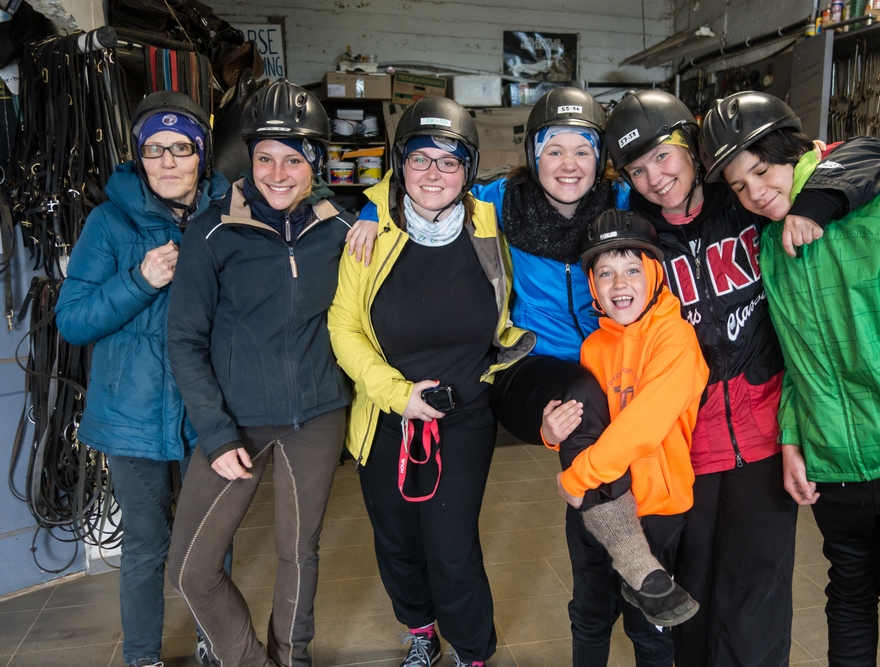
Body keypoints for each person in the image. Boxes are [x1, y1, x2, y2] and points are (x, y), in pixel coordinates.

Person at [353, 89, 675, 666]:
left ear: (601, 157)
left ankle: (615, 575)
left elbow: (677, 194)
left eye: (584, 150)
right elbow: (424, 187)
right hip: (530, 368)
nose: (569, 165)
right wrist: (364, 212)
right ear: (532, 154)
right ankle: (629, 550)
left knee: (596, 460)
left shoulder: (625, 201)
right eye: (555, 151)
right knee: (581, 398)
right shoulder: (497, 201)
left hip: (615, 367)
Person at [604, 89, 880, 667]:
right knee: (691, 599)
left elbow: (865, 152)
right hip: (685, 445)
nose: (656, 178)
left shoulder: (742, 198)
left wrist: (816, 206)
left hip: (764, 437)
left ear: (691, 146)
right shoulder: (638, 238)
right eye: (638, 170)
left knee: (757, 600)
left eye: (663, 156)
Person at [701, 91, 880, 667]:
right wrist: (795, 441)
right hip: (832, 462)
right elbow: (797, 359)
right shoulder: (772, 246)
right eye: (738, 185)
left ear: (796, 151)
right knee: (847, 601)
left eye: (762, 170)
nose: (756, 193)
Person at [328, 96, 535, 667]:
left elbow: (568, 195)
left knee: (450, 543)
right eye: (421, 159)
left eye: (450, 161)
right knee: (396, 540)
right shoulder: (368, 236)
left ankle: (473, 652)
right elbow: (343, 326)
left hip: (465, 413)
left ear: (468, 171)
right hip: (386, 414)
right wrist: (399, 396)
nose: (434, 173)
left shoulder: (492, 224)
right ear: (401, 165)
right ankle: (422, 631)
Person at [166, 79, 355, 667]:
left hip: (317, 416)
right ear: (249, 159)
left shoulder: (343, 229)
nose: (277, 172)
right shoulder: (214, 231)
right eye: (265, 157)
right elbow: (183, 340)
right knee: (191, 569)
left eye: (293, 159)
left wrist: (372, 221)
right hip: (235, 423)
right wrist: (216, 434)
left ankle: (292, 658)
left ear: (315, 164)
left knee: (299, 553)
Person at [55, 91, 229, 667]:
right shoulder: (109, 221)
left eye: (182, 148)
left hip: (208, 409)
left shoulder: (231, 213)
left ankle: (216, 645)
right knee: (147, 548)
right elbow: (73, 321)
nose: (169, 162)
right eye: (155, 149)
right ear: (140, 156)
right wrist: (140, 279)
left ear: (201, 155)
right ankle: (142, 658)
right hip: (132, 415)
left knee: (212, 542)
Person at [544, 208, 709, 628]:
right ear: (592, 287)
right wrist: (550, 432)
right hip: (596, 498)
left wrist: (576, 479)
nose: (619, 284)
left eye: (632, 270)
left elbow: (646, 425)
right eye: (605, 274)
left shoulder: (676, 336)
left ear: (654, 276)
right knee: (588, 615)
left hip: (655, 505)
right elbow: (585, 423)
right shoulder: (594, 346)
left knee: (649, 629)